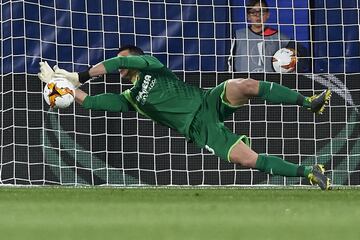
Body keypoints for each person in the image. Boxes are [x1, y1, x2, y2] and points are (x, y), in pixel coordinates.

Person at [38, 45, 331, 190]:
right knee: (247, 159)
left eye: (125, 59)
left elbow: (121, 61)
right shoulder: (132, 99)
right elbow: (90, 102)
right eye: (120, 61)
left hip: (207, 99)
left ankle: (309, 102)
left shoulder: (152, 65)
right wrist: (62, 87)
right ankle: (308, 171)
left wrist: (82, 75)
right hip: (198, 128)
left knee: (244, 85)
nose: (121, 65)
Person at [229, 0, 310, 73]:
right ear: (248, 16)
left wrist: (291, 62)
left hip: (269, 85)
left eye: (262, 11)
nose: (258, 15)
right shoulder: (238, 35)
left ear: (267, 15)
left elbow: (302, 52)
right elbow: (229, 62)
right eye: (253, 12)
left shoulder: (277, 37)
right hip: (243, 84)